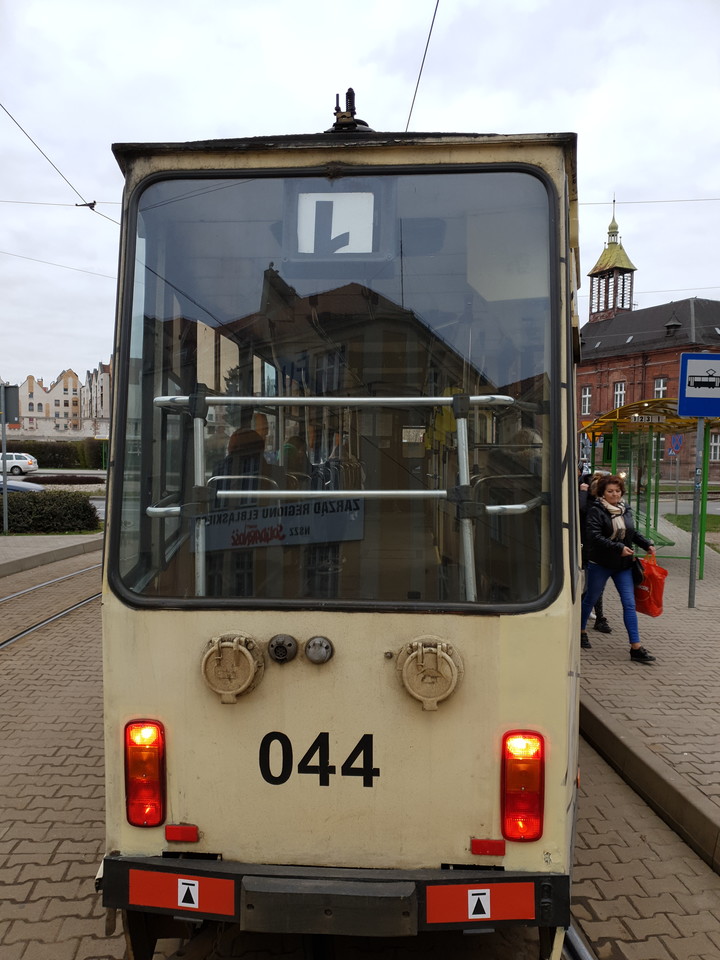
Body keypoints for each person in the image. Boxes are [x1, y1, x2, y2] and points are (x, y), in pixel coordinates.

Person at [580, 474, 657, 664]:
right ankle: (580, 631)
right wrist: (618, 548)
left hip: (623, 566)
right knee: (590, 599)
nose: (614, 494)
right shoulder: (596, 510)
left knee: (629, 604)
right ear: (602, 493)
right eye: (610, 491)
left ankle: (636, 647)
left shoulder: (624, 509)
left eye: (617, 491)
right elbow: (594, 536)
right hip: (601, 564)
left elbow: (631, 531)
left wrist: (646, 543)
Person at [578, 468, 611, 645]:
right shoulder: (590, 504)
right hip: (589, 549)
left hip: (596, 550)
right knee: (594, 587)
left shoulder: (598, 504)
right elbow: (582, 510)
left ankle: (595, 617)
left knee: (595, 586)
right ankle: (594, 618)